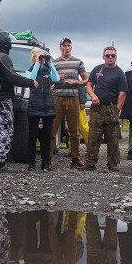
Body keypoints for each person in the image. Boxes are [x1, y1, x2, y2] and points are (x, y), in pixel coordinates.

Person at [0, 31, 37, 172]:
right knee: (6, 129)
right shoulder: (4, 58)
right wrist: (31, 82)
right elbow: (12, 77)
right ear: (5, 44)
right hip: (3, 99)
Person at [84, 46, 128, 171]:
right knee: (93, 136)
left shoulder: (119, 73)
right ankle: (90, 163)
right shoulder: (97, 69)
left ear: (116, 57)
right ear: (103, 57)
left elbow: (123, 93)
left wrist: (117, 110)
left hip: (111, 108)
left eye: (112, 55)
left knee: (113, 138)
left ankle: (113, 163)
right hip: (97, 108)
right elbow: (89, 84)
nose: (110, 58)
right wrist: (93, 95)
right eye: (108, 55)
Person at [50, 38, 89, 169]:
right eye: (64, 46)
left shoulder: (78, 62)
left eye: (68, 46)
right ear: (60, 47)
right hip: (58, 98)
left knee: (74, 131)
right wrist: (55, 78)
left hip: (73, 98)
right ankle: (48, 158)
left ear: (71, 48)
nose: (66, 48)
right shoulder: (54, 63)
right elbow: (49, 81)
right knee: (53, 129)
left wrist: (76, 83)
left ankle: (75, 158)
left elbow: (86, 80)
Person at [25, 48, 58, 171]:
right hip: (34, 104)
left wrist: (50, 63)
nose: (42, 59)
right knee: (32, 135)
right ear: (34, 58)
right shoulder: (29, 70)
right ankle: (31, 163)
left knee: (47, 136)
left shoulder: (48, 69)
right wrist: (37, 65)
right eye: (39, 57)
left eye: (43, 57)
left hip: (48, 105)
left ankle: (45, 162)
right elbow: (32, 79)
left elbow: (56, 79)